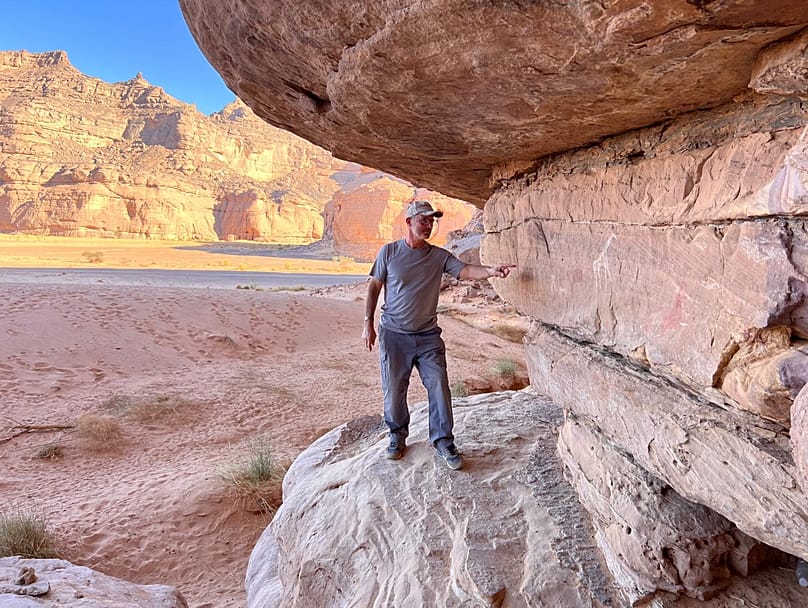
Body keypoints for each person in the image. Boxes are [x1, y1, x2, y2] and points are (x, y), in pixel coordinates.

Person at [363, 200, 515, 470]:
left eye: (432, 221)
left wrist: (491, 271)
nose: (429, 225)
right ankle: (396, 436)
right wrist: (368, 323)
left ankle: (443, 441)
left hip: (427, 336)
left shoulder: (438, 256)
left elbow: (465, 271)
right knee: (394, 390)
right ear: (409, 222)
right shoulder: (388, 253)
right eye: (424, 220)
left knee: (439, 386)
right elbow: (374, 286)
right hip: (394, 335)